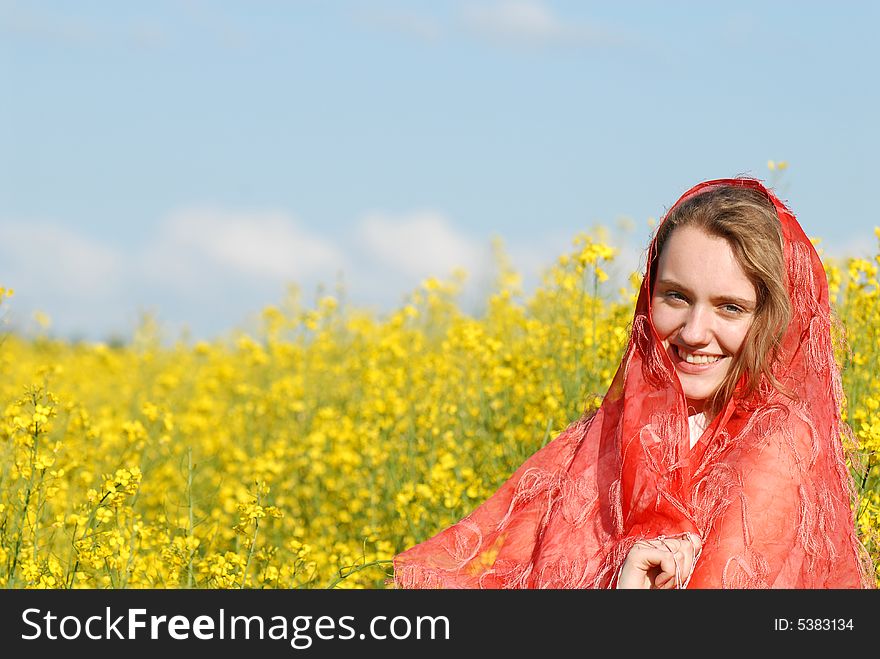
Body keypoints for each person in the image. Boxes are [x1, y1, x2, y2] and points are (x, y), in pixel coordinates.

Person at [392, 177, 875, 589]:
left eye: (730, 307)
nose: (692, 332)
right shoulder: (598, 438)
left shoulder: (778, 447)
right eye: (676, 297)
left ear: (773, 319)